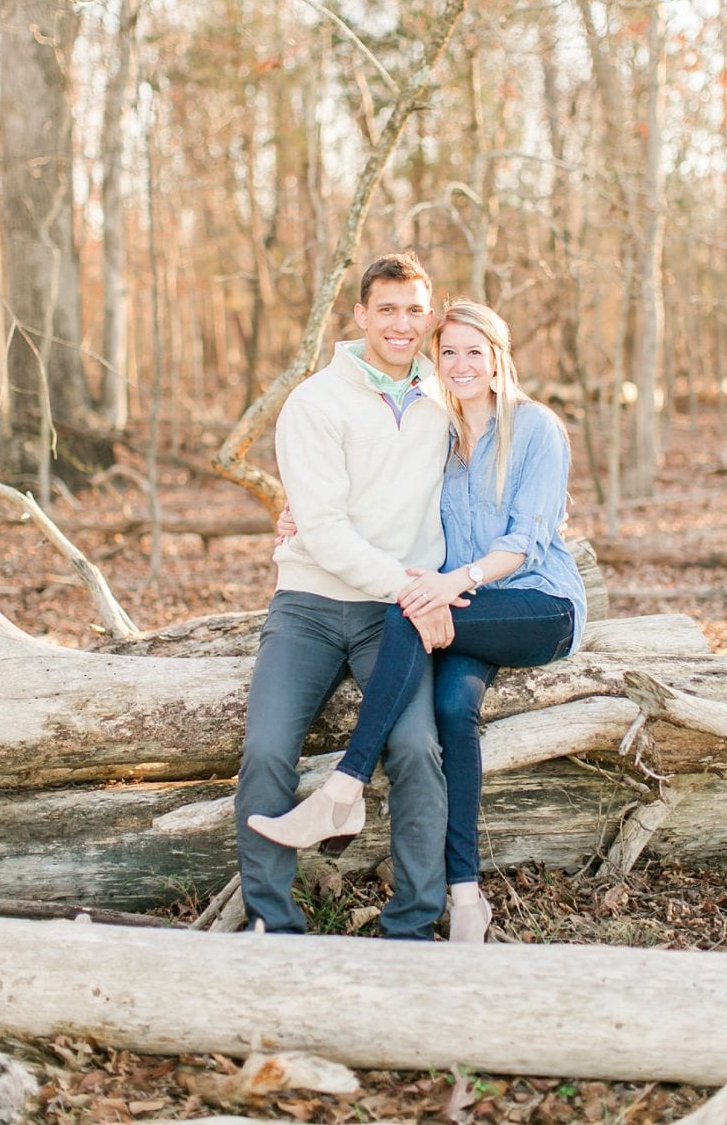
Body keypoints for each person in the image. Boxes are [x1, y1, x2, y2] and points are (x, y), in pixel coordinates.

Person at [249, 300, 587, 944]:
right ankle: (465, 896)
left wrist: (442, 588)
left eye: (473, 352)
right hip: (463, 614)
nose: (459, 365)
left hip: (537, 605)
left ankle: (343, 788)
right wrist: (303, 510)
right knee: (454, 714)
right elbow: (378, 485)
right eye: (449, 352)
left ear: (497, 358)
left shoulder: (535, 427)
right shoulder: (442, 425)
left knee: (407, 614)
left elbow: (526, 544)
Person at [234, 252, 451, 940]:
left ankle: (412, 924)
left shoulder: (448, 399)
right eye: (386, 308)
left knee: (418, 748)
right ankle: (274, 921)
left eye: (414, 309)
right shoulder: (315, 402)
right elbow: (322, 531)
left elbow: (490, 478)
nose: (401, 323)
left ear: (429, 315)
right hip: (311, 605)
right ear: (360, 314)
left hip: (393, 613)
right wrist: (413, 587)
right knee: (268, 749)